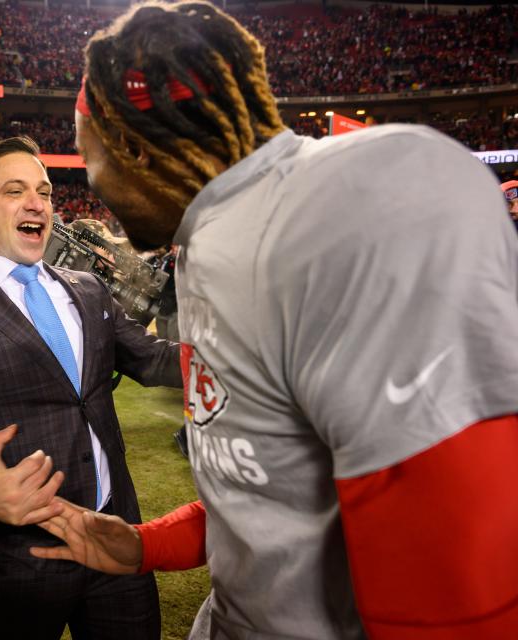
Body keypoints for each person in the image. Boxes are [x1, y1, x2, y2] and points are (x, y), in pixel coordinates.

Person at [31, 2, 518, 638]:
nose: (90, 183)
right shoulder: (209, 237)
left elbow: (458, 576)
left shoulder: (359, 198)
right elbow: (272, 488)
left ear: (128, 146)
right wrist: (146, 545)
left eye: (84, 154)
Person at [0, 136, 182, 640]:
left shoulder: (87, 288)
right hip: (18, 561)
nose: (36, 203)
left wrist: (251, 358)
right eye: (15, 191)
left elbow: (154, 359)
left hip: (117, 541)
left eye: (45, 191)